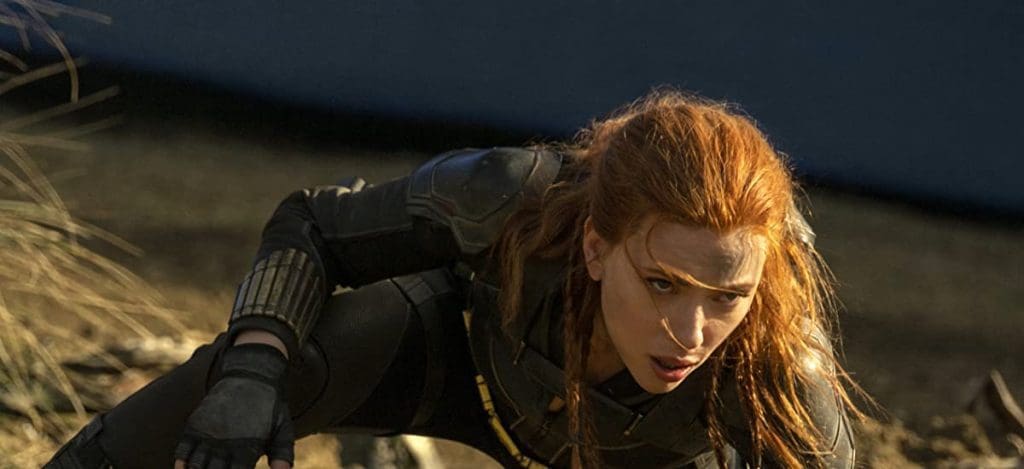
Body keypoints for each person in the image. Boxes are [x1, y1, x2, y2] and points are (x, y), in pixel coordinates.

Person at [46, 90, 861, 469]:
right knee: (264, 365)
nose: (690, 334)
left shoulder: (780, 368)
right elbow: (313, 225)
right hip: (467, 368)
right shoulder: (509, 198)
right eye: (661, 284)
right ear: (594, 246)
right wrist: (253, 371)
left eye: (727, 297)